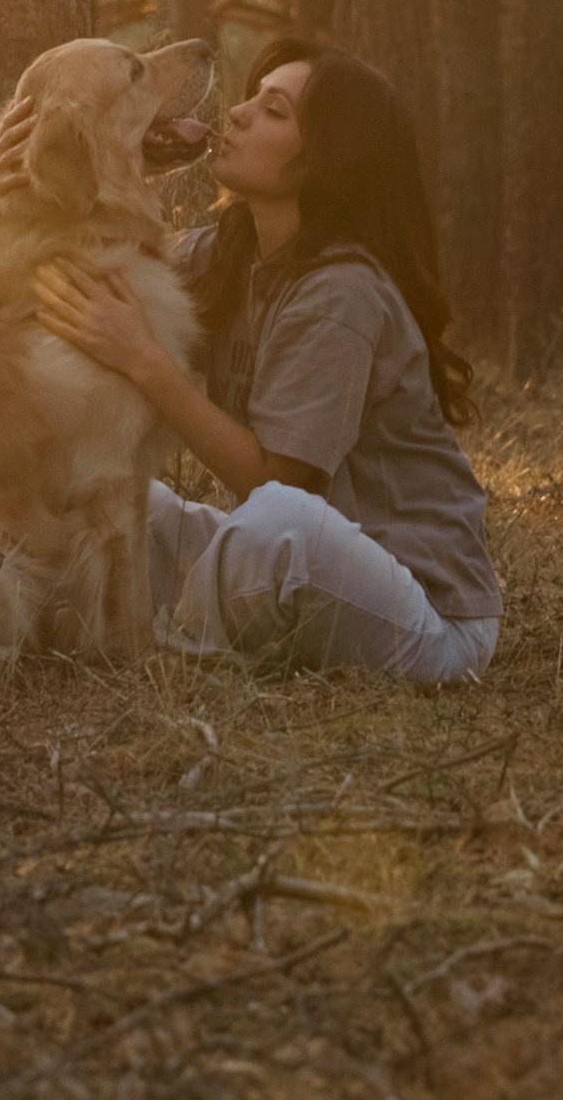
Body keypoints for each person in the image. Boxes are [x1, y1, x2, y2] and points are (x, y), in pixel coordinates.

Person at [30, 39, 501, 681]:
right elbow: (96, 263)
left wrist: (145, 360)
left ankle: (156, 649)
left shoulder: (341, 293)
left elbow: (275, 482)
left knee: (283, 525)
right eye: (252, 95)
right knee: (113, 497)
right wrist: (44, 163)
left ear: (328, 161)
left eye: (274, 111)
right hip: (286, 563)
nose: (239, 113)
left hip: (425, 619)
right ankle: (42, 623)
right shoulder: (228, 254)